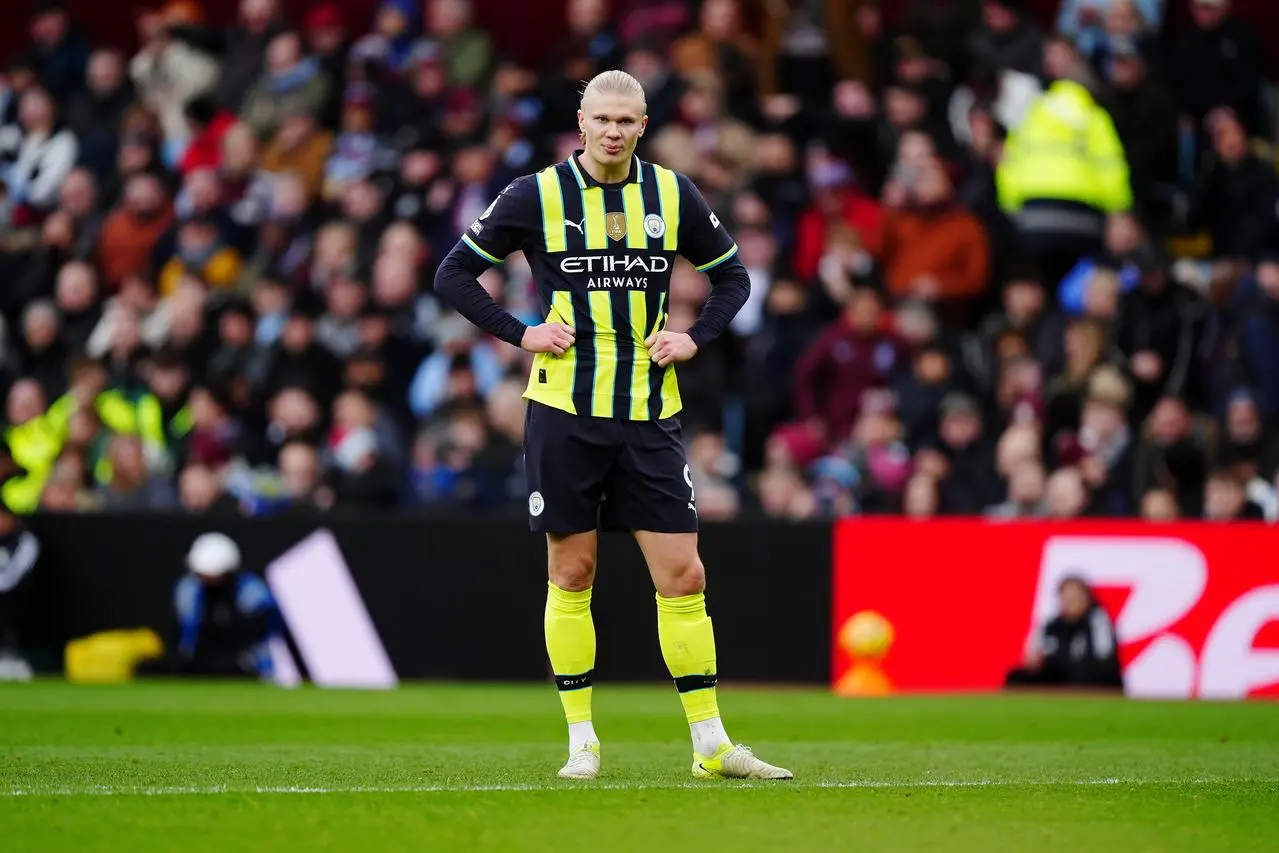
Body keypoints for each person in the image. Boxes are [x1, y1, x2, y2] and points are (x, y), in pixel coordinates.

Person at [433, 70, 790, 782]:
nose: (613, 131)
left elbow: (733, 278)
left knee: (683, 573)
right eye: (601, 118)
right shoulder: (534, 194)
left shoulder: (670, 193)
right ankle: (581, 741)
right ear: (580, 119)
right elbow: (453, 274)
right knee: (572, 570)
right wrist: (520, 332)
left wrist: (694, 336)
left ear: (644, 124)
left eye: (626, 120)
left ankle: (712, 745)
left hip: (649, 414)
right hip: (565, 410)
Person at [171, 532, 281, 679]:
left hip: (246, 666)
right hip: (197, 666)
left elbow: (266, 629)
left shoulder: (251, 592)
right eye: (203, 576)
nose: (209, 581)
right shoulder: (187, 590)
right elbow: (182, 634)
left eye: (215, 577)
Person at [1006, 575, 1123, 691]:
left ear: (1086, 599)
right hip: (1059, 677)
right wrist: (1037, 660)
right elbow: (1032, 655)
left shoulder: (1097, 621)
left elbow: (1104, 658)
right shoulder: (1051, 626)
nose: (1070, 603)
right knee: (1017, 677)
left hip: (1088, 677)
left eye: (1074, 598)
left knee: (1087, 675)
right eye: (1066, 598)